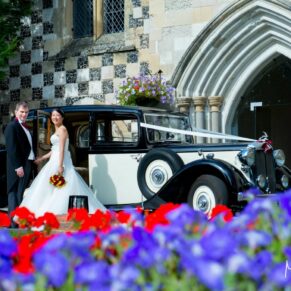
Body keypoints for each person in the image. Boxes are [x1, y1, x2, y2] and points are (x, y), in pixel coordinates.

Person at [20, 108, 106, 217]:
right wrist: (42, 158)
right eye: (53, 115)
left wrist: (60, 165)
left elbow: (61, 149)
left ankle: (58, 212)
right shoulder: (56, 130)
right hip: (54, 159)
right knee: (52, 185)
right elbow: (54, 149)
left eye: (57, 115)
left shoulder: (62, 129)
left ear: (62, 118)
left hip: (60, 160)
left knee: (61, 185)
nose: (55, 117)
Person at [4, 101, 35, 226]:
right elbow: (12, 148)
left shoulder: (25, 127)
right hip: (18, 166)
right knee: (14, 194)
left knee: (20, 193)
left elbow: (27, 147)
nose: (24, 114)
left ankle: (18, 221)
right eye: (22, 112)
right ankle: (13, 224)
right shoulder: (12, 126)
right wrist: (18, 166)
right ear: (16, 112)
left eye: (26, 112)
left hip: (26, 163)